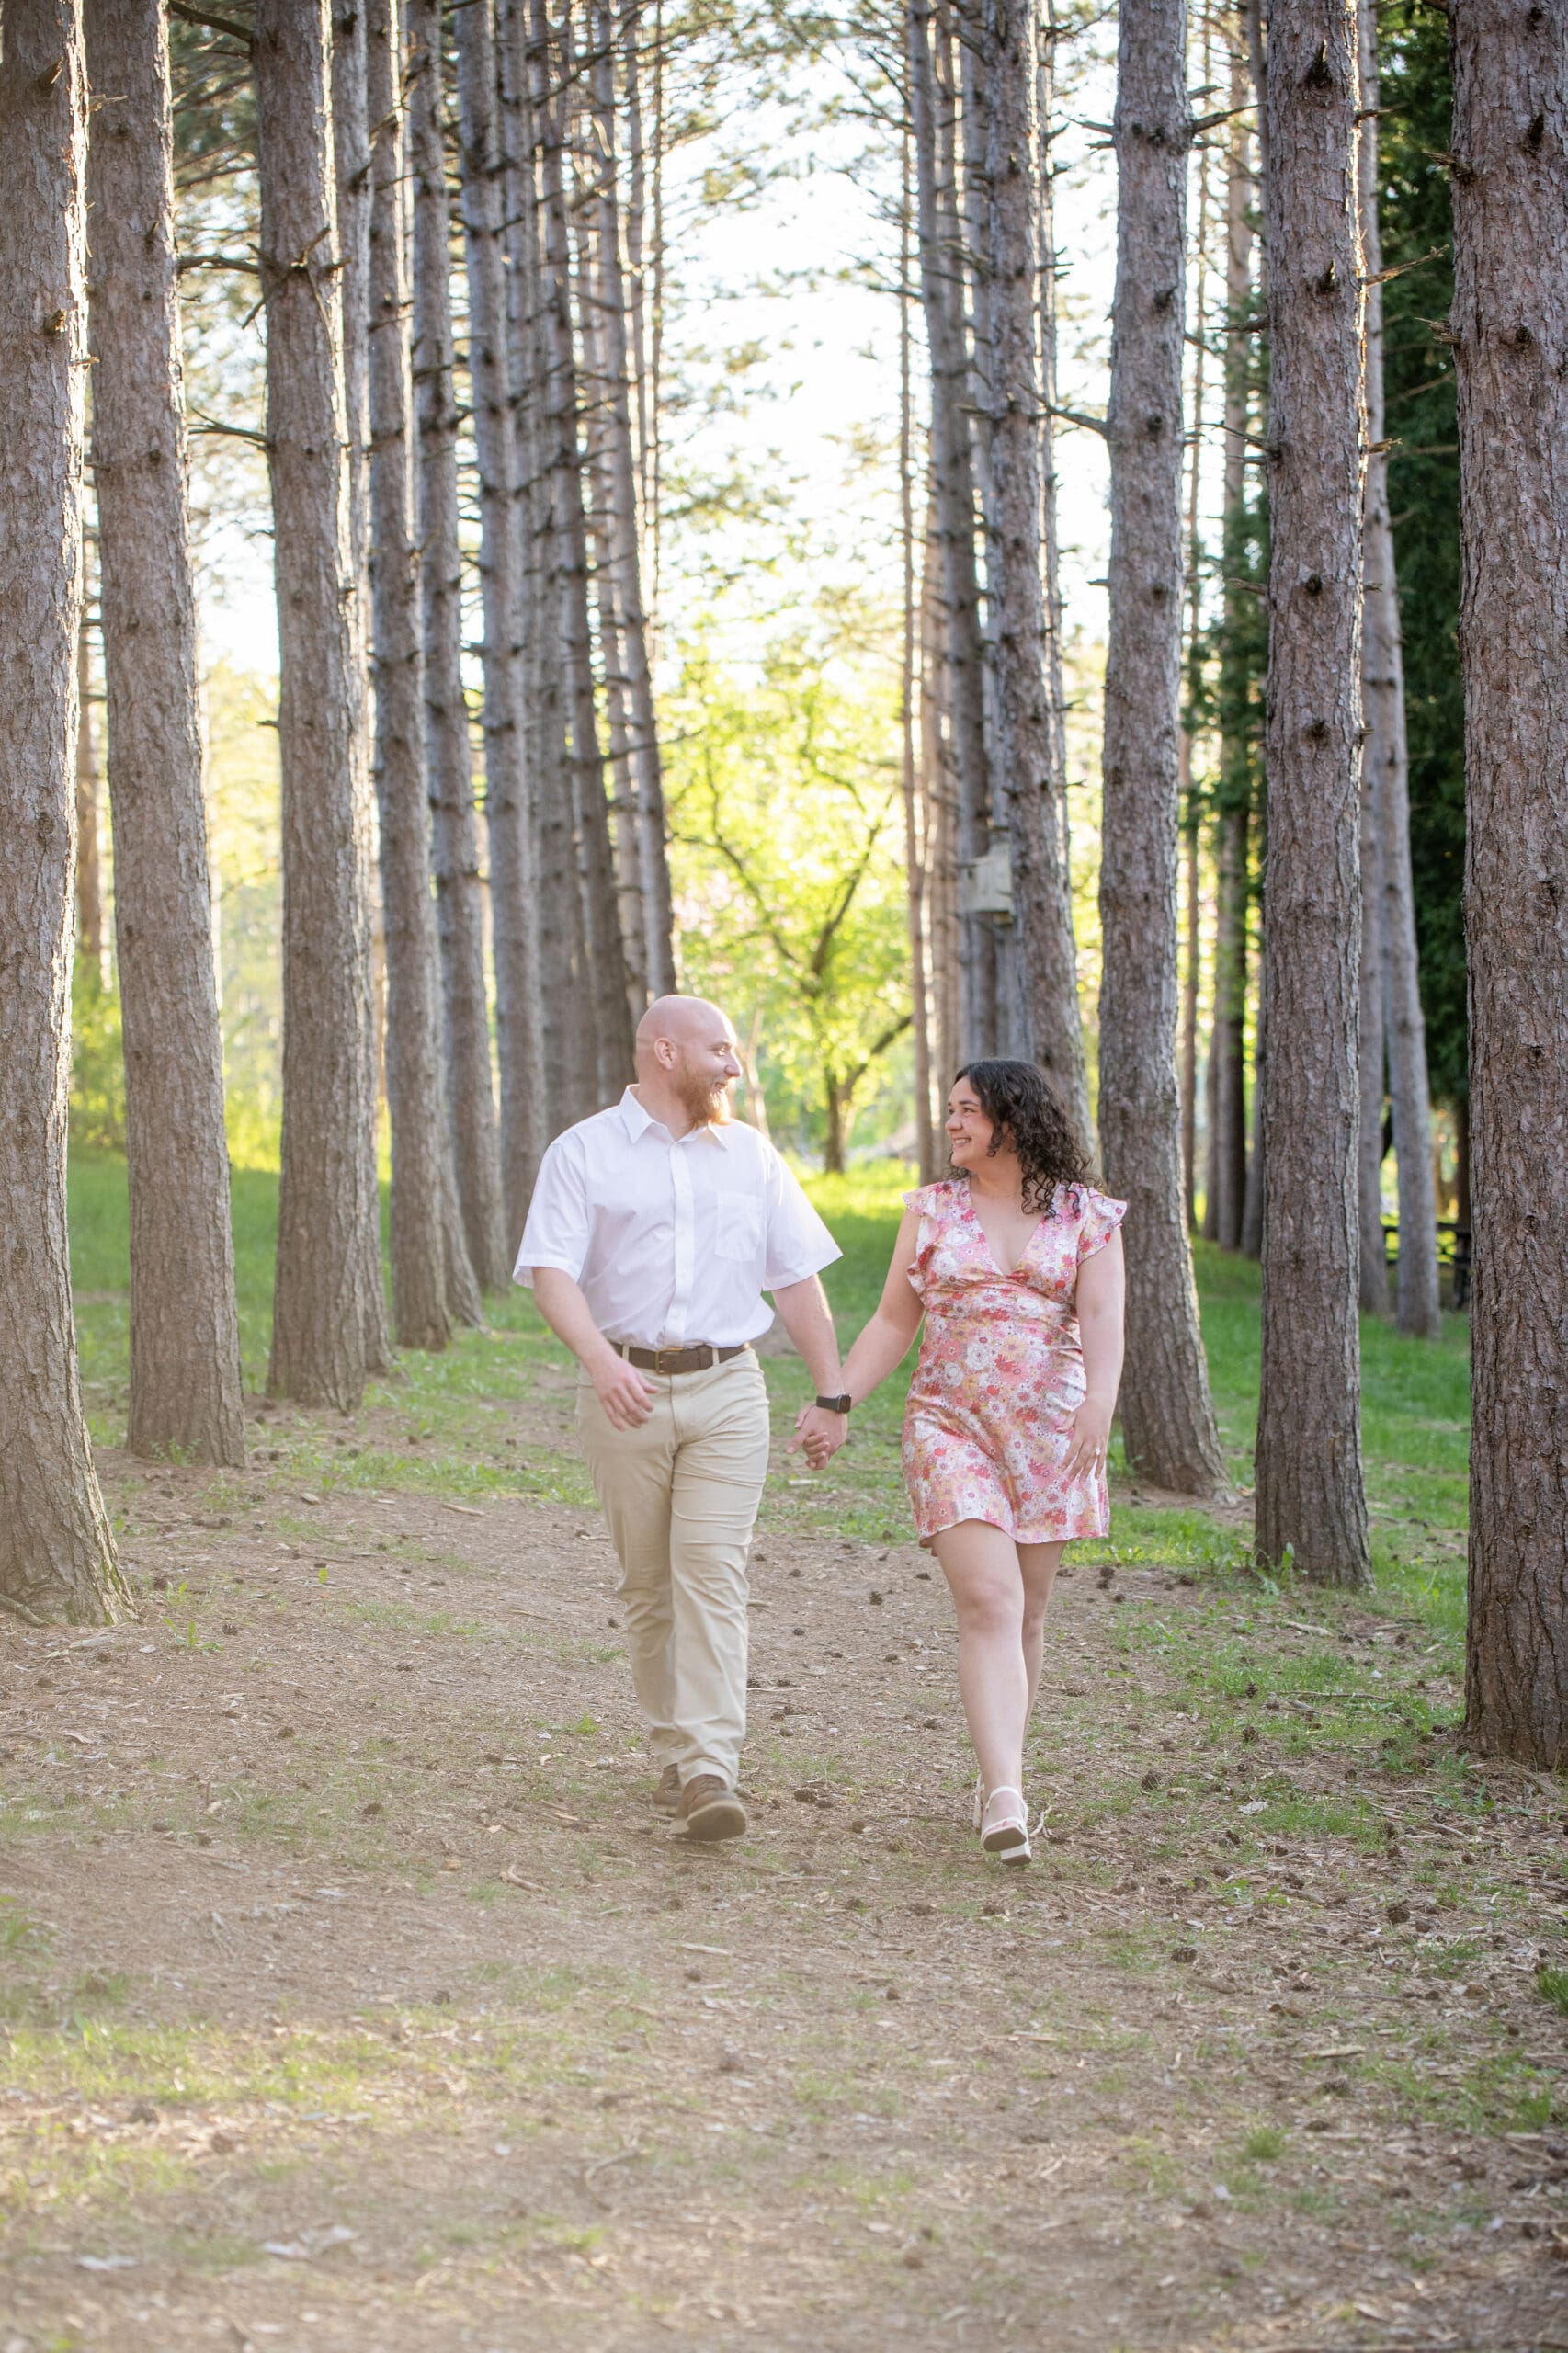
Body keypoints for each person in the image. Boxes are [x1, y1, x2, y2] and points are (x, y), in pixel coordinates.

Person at [516, 995, 851, 1844]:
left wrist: (830, 1391)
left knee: (710, 1570)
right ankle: (674, 1747)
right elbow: (550, 1271)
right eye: (720, 1050)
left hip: (729, 1389)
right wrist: (600, 1364)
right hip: (624, 1386)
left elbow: (797, 1279)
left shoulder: (751, 1157)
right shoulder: (583, 1152)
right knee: (648, 1585)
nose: (734, 1067)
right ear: (665, 1052)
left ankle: (710, 1769)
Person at [803, 1060, 1125, 1865]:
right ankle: (1008, 1798)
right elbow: (889, 1322)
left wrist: (1101, 1402)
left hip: (1052, 1431)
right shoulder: (932, 1212)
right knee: (989, 1601)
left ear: (1013, 1122)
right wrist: (837, 1400)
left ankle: (997, 1774)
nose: (950, 1123)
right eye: (948, 1109)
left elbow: (1103, 1316)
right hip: (951, 1426)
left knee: (1028, 1612)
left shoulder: (1088, 1215)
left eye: (967, 1111)